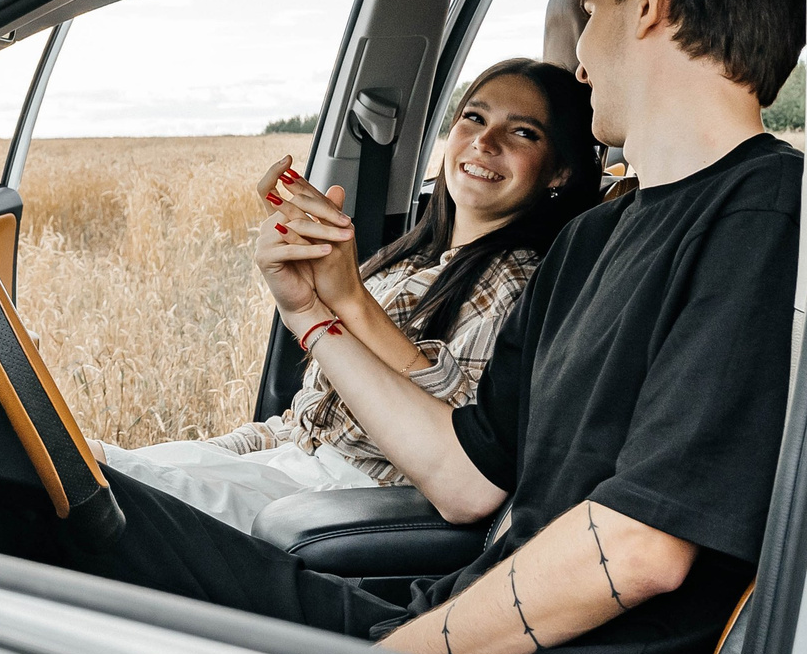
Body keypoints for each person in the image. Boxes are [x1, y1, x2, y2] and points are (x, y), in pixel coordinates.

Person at [0, 0, 807, 654]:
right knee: (76, 514)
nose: (581, 58)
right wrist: (313, 318)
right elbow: (467, 477)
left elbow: (637, 548)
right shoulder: (593, 238)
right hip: (449, 639)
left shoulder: (763, 212)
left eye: (590, 13)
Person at [98, 60, 599, 533]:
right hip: (292, 466)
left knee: (94, 492)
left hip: (348, 503)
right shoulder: (407, 259)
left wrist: (349, 302)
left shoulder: (519, 284)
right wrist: (215, 451)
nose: (485, 142)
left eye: (522, 132)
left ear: (560, 171)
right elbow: (307, 423)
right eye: (473, 117)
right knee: (97, 463)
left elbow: (467, 442)